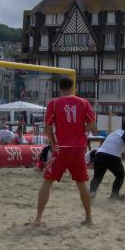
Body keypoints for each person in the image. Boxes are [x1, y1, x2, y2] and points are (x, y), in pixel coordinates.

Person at [32, 76, 96, 227]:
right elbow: (93, 125)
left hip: (63, 148)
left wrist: (53, 145)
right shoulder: (83, 102)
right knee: (81, 184)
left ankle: (38, 219)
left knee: (47, 182)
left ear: (59, 88)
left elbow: (48, 128)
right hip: (79, 148)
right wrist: (81, 130)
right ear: (73, 87)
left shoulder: (54, 103)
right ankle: (88, 219)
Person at [89, 118, 125, 201]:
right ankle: (114, 196)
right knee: (120, 175)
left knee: (98, 177)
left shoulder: (115, 132)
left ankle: (92, 192)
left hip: (99, 154)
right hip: (112, 156)